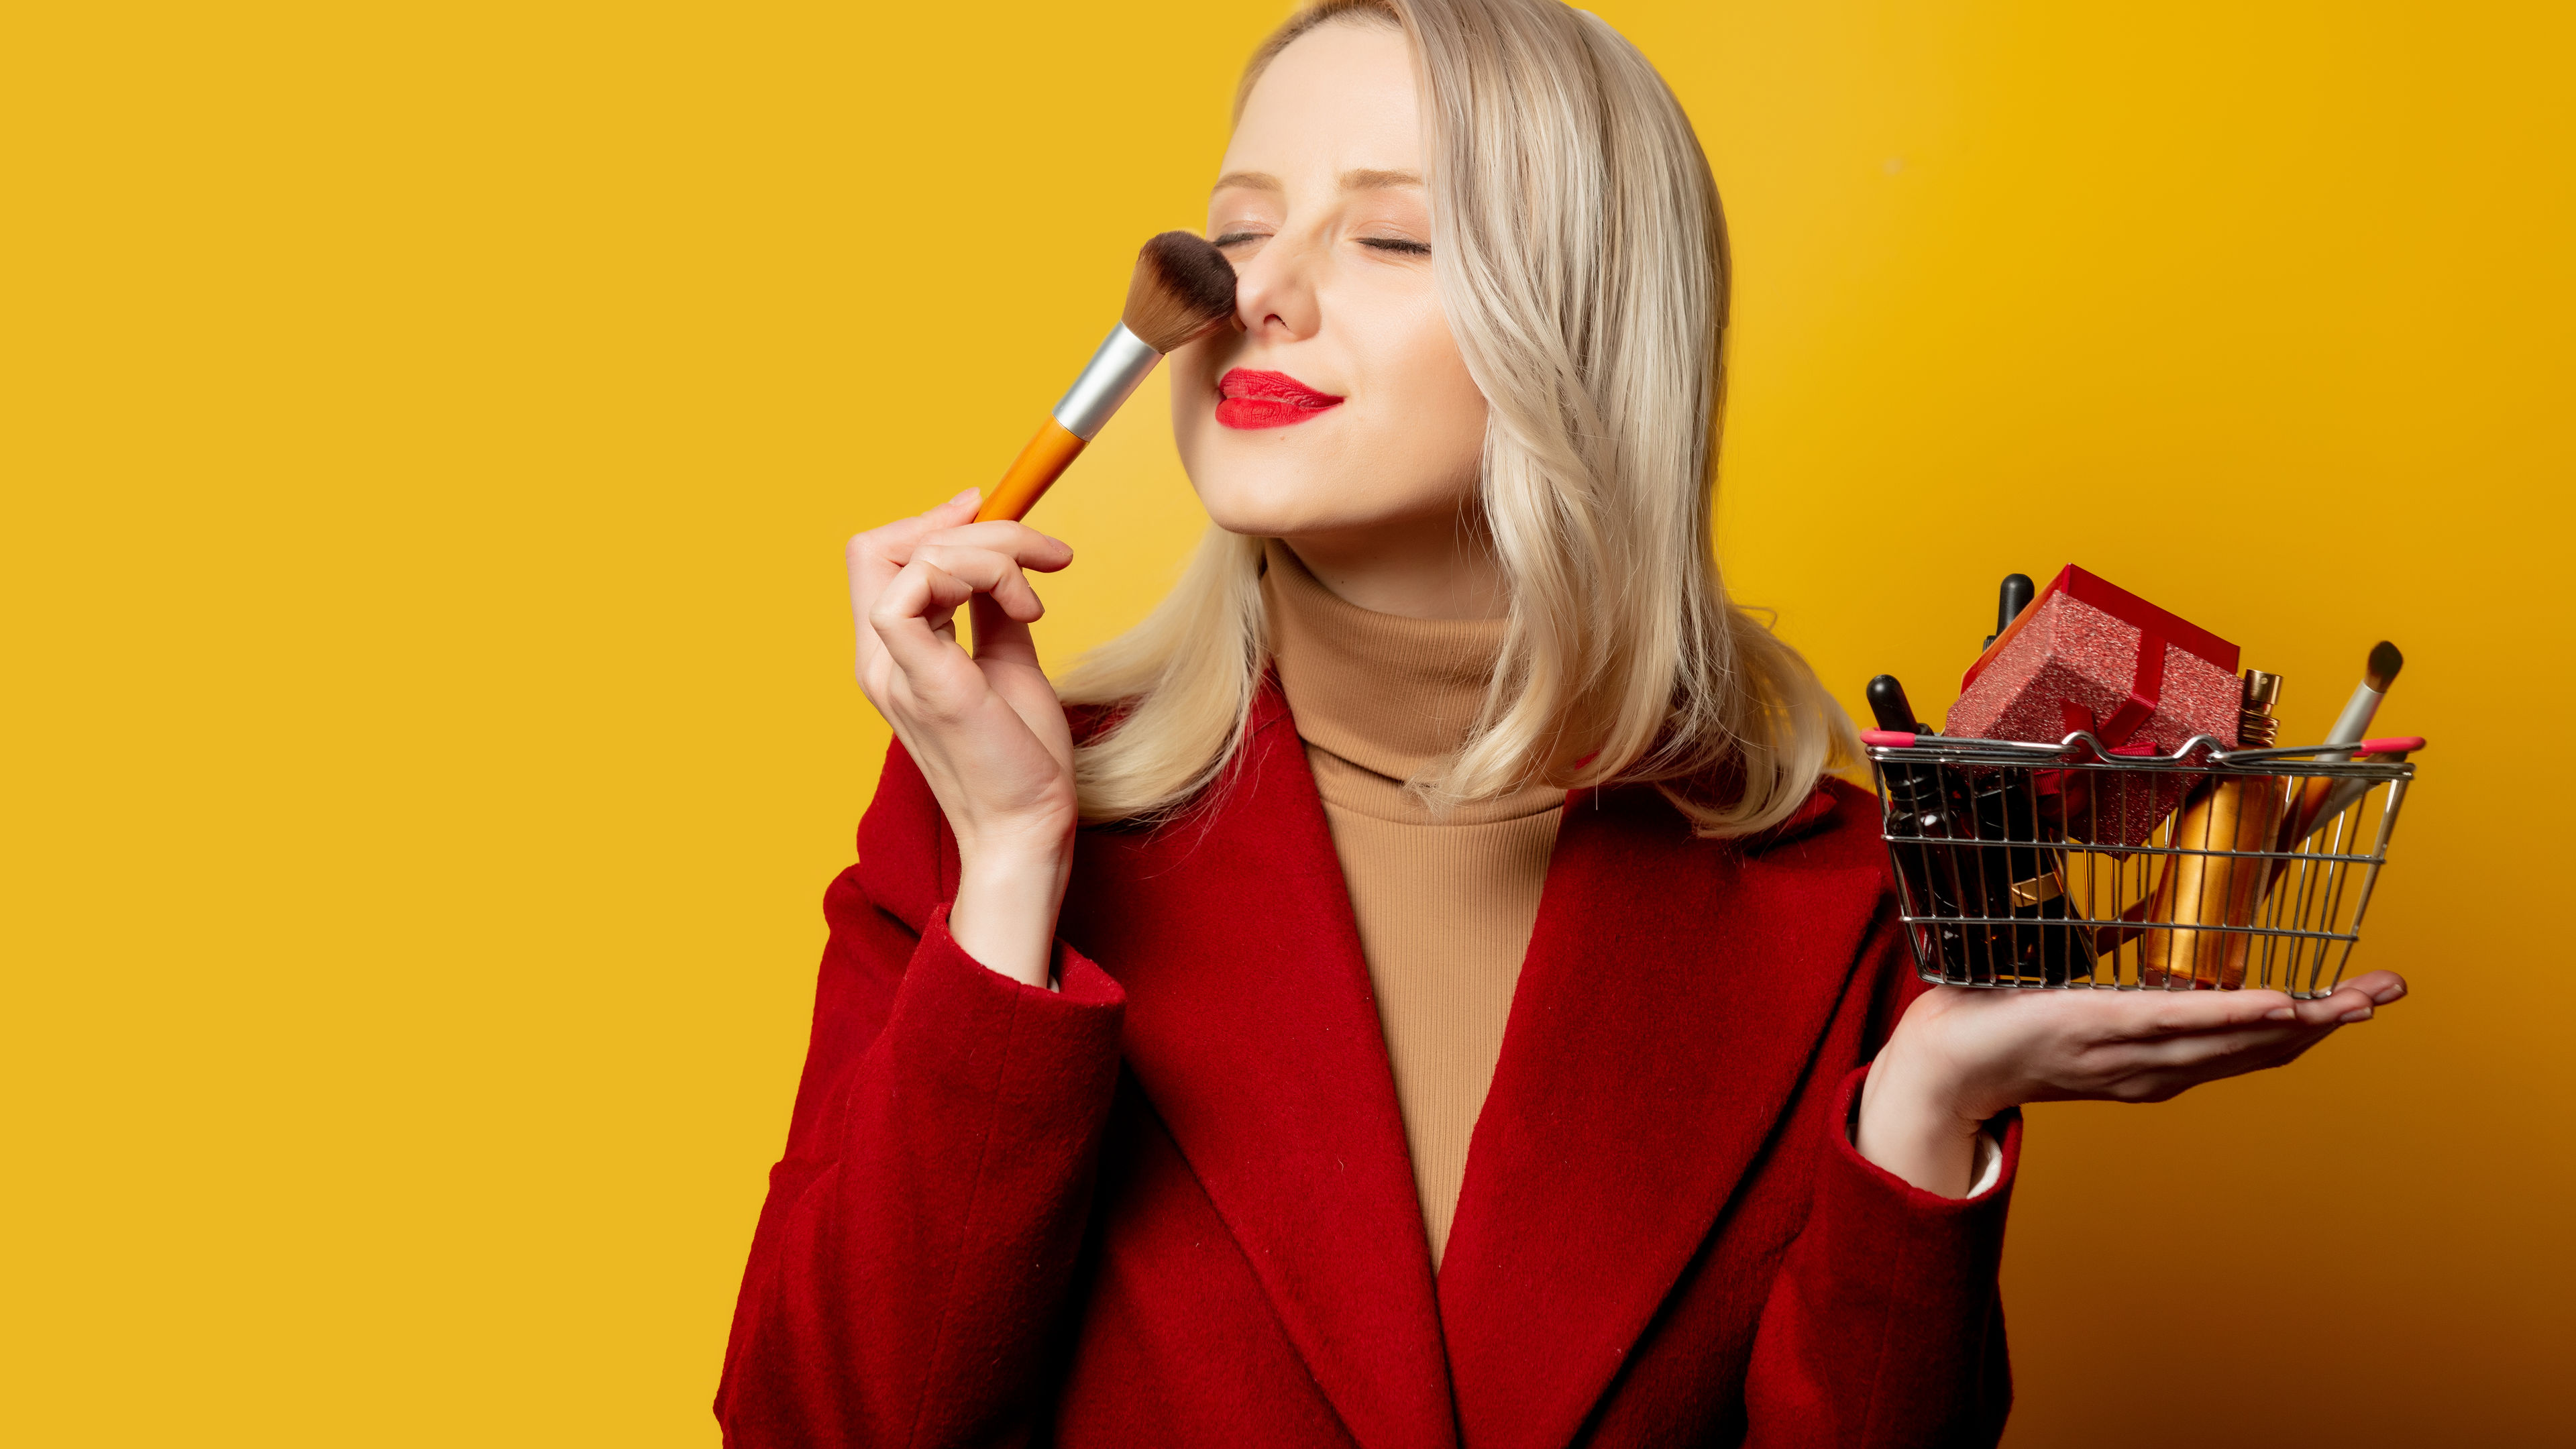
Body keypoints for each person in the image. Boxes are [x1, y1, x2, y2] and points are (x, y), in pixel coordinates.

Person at [716, 2, 2408, 1444]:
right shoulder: (999, 812)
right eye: (1238, 228)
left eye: (1387, 237)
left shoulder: (1834, 898)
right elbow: (823, 1424)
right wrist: (1013, 872)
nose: (1260, 295)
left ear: (1590, 332)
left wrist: (1926, 1118)